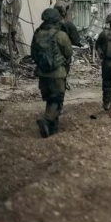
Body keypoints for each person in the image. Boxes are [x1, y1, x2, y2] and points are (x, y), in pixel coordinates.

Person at [30, 8, 73, 138]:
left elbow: (33, 53)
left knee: (50, 99)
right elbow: (68, 53)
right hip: (57, 74)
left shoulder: (37, 34)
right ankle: (46, 119)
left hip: (42, 73)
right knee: (57, 99)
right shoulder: (61, 35)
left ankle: (52, 129)